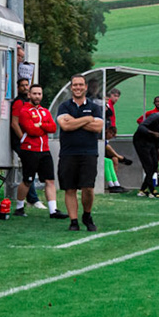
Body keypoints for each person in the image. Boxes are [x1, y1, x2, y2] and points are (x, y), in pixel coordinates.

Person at [54, 74, 106, 232]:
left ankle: (87, 215)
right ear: (71, 87)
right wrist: (87, 119)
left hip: (89, 152)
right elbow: (65, 126)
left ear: (85, 87)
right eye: (75, 85)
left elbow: (98, 128)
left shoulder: (95, 107)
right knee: (70, 189)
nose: (77, 87)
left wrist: (76, 120)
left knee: (88, 188)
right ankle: (74, 221)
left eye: (80, 85)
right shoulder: (64, 106)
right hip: (68, 153)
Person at [12, 83, 58, 217]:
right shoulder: (24, 111)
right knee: (28, 180)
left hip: (45, 150)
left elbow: (53, 128)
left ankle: (53, 210)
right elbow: (31, 130)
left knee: (50, 180)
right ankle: (19, 207)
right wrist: (44, 127)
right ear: (29, 95)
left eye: (39, 94)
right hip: (30, 150)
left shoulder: (44, 111)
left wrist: (41, 124)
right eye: (35, 93)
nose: (37, 96)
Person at [132, 95, 159, 196]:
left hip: (152, 142)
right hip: (142, 141)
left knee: (154, 165)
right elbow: (141, 123)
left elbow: (158, 137)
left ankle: (142, 190)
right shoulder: (152, 114)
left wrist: (158, 154)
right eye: (156, 101)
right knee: (149, 166)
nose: (158, 103)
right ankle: (152, 190)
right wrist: (151, 132)